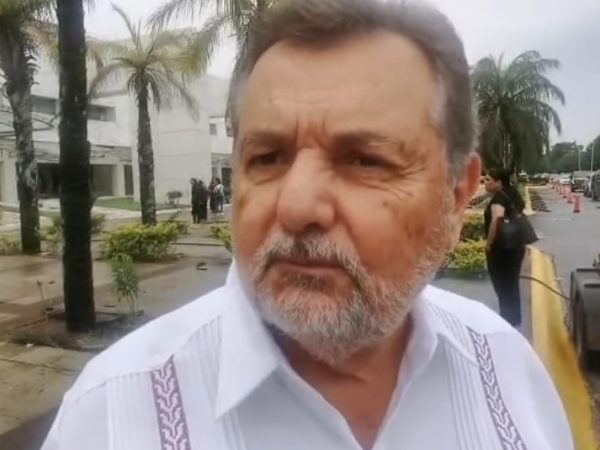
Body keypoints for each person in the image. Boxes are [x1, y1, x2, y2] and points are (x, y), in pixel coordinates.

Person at [42, 1, 572, 449]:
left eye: (365, 160)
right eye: (268, 158)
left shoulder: (507, 371)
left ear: (457, 195)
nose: (295, 207)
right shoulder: (110, 418)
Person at [484, 168, 527, 327]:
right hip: (516, 247)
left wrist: (489, 244)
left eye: (488, 179)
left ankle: (506, 322)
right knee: (511, 285)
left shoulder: (499, 199)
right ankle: (513, 320)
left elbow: (496, 220)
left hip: (501, 250)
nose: (485, 183)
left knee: (502, 287)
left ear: (499, 182)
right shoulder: (512, 195)